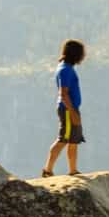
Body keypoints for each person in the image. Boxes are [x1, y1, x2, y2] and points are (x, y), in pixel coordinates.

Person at [41, 39, 87, 177]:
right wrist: (72, 112)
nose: (83, 56)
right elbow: (63, 93)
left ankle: (73, 170)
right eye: (82, 53)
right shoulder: (65, 70)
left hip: (71, 108)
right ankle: (47, 170)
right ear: (75, 54)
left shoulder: (67, 68)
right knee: (63, 139)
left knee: (74, 140)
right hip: (68, 109)